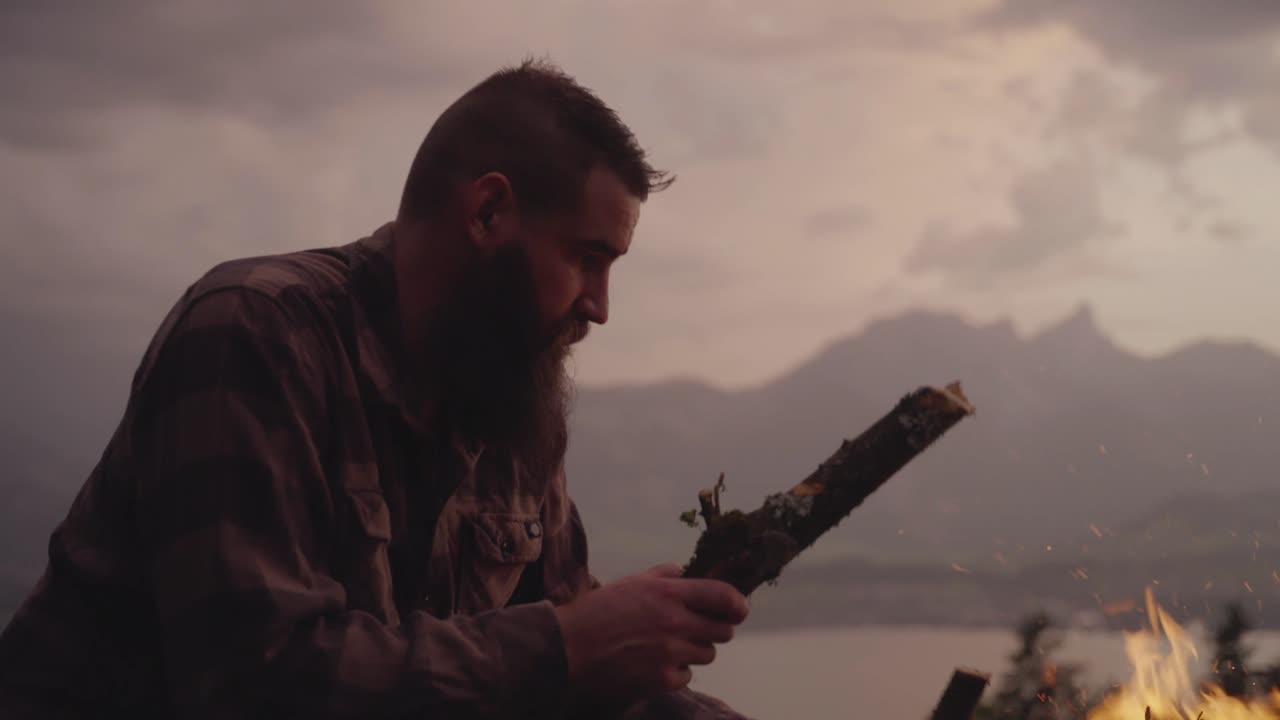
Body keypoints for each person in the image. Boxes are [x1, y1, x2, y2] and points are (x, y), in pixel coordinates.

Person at [0, 59, 754, 719]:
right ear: (488, 212)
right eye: (587, 258)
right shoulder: (254, 334)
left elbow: (586, 672)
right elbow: (253, 685)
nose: (600, 305)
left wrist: (596, 649)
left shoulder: (508, 393)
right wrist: (565, 644)